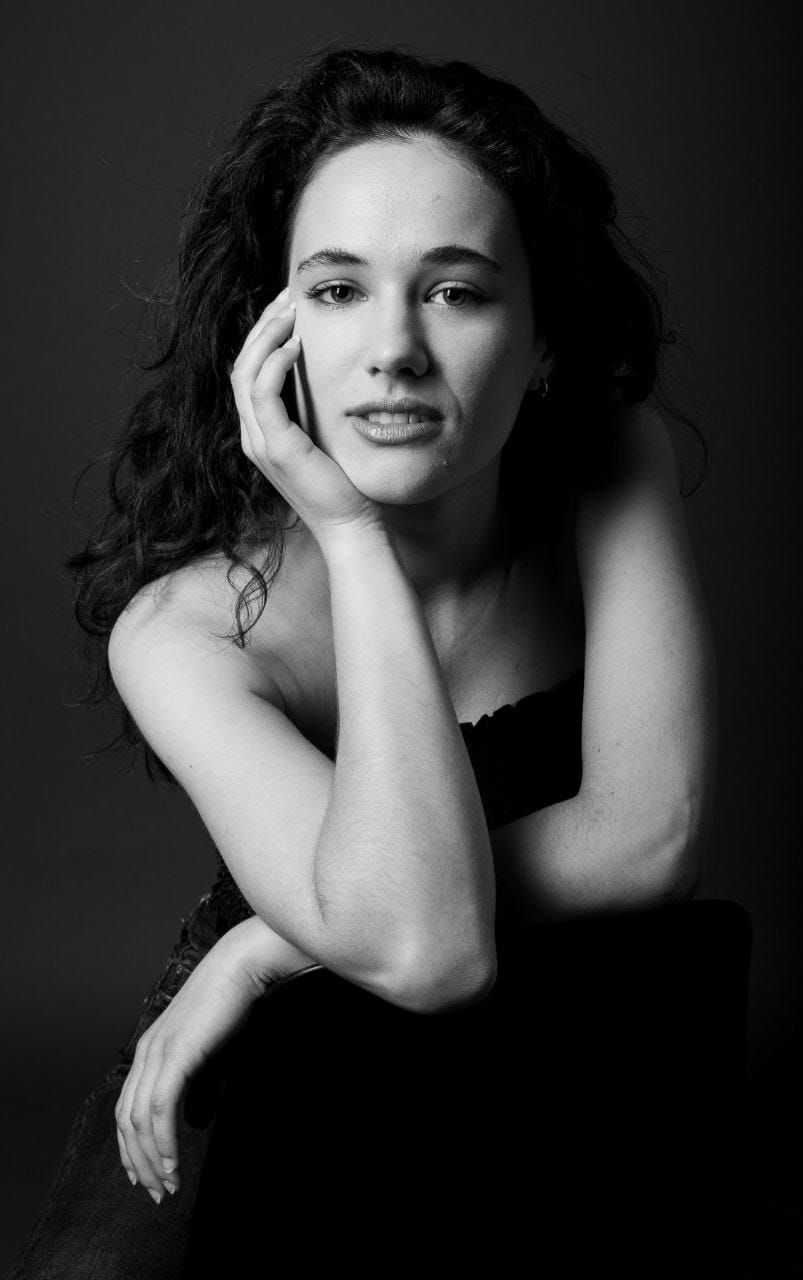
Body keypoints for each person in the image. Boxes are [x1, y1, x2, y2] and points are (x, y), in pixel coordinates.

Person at [13, 45, 724, 1278]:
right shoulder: (183, 629)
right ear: (274, 336)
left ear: (542, 340)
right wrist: (349, 534)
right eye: (337, 290)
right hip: (285, 1057)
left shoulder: (614, 463)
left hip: (545, 1024)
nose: (393, 347)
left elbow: (649, 838)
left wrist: (261, 948)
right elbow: (425, 947)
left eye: (454, 290)